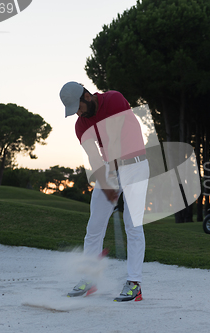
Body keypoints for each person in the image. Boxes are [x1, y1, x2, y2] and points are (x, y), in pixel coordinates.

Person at [59, 81, 149, 302]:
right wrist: (106, 183)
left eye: (78, 107)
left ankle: (134, 284)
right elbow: (93, 156)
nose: (78, 114)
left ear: (86, 97)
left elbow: (117, 137)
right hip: (110, 168)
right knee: (94, 226)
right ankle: (90, 280)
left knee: (133, 225)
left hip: (136, 165)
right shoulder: (81, 124)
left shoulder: (115, 99)